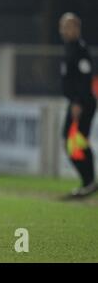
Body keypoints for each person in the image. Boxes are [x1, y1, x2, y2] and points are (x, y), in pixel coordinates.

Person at [59, 12, 98, 198]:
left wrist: (77, 102)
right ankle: (88, 182)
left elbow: (85, 79)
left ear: (76, 28)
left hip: (82, 103)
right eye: (63, 27)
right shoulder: (70, 48)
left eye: (68, 26)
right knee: (71, 141)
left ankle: (89, 182)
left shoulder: (80, 50)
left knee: (77, 141)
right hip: (75, 101)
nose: (64, 30)